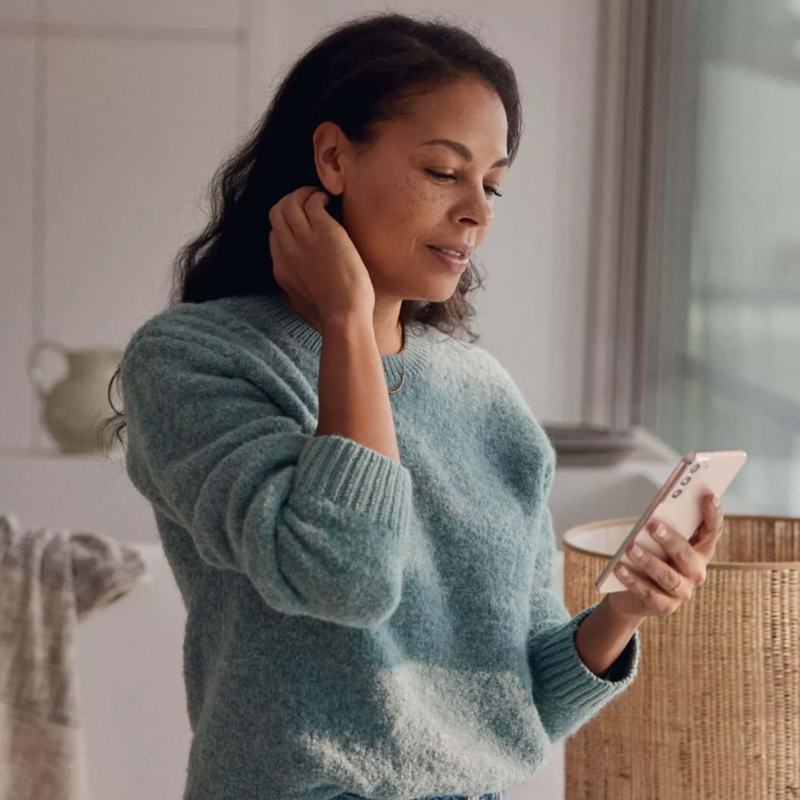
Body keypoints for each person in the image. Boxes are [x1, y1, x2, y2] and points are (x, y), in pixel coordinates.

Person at [100, 11, 643, 800]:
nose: (477, 212)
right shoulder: (194, 360)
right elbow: (345, 576)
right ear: (333, 157)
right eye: (443, 171)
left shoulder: (482, 396)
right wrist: (350, 321)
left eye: (491, 184)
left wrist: (621, 611)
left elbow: (516, 707)